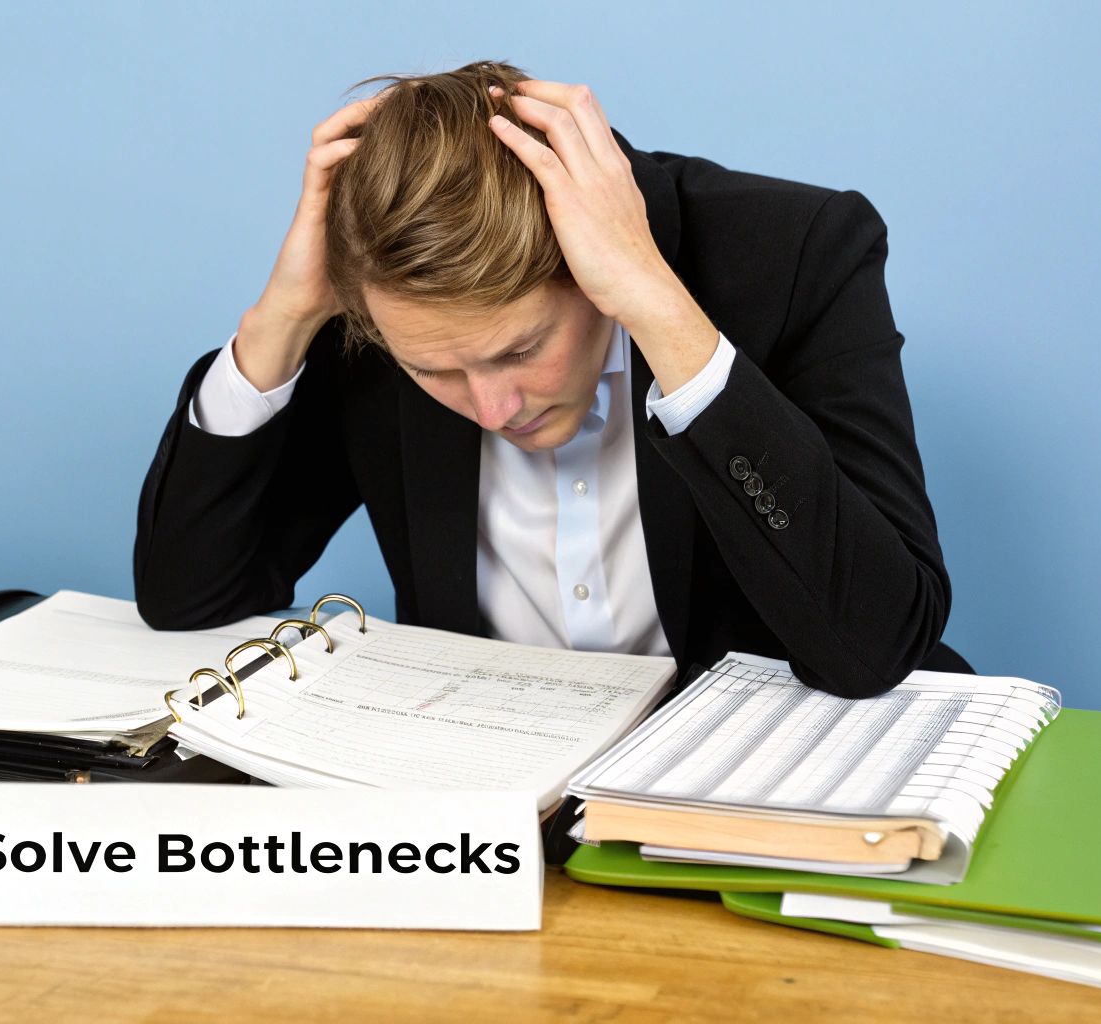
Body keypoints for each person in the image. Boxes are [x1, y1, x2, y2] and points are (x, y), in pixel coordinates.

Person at [133, 61, 969, 698]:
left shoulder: (799, 250)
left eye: (521, 350)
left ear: (587, 264)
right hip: (506, 800)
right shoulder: (385, 307)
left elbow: (876, 646)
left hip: (767, 790)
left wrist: (658, 307)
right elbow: (191, 594)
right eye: (434, 370)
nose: (493, 408)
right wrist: (281, 317)